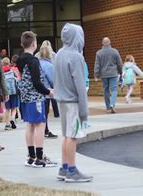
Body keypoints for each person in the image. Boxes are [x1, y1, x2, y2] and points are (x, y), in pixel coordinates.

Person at [54, 23, 92, 183]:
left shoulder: (59, 54)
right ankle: (72, 170)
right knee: (73, 136)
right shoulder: (76, 56)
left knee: (66, 136)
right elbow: (80, 86)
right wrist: (84, 111)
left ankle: (64, 168)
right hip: (73, 102)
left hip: (61, 100)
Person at [18, 31, 56, 167]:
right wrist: (48, 92)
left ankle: (31, 156)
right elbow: (37, 82)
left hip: (25, 97)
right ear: (34, 44)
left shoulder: (19, 59)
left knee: (29, 125)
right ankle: (39, 158)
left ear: (22, 44)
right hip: (36, 97)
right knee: (40, 125)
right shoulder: (33, 60)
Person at [94, 37, 122, 113]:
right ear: (110, 43)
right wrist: (120, 71)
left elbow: (97, 65)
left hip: (104, 74)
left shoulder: (99, 53)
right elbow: (119, 63)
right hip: (113, 73)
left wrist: (96, 75)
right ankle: (112, 104)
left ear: (102, 43)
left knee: (106, 90)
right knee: (114, 89)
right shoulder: (115, 51)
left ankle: (108, 107)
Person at [38, 42, 59, 139]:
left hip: (38, 92)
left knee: (41, 113)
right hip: (46, 92)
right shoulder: (48, 65)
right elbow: (53, 80)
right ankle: (45, 131)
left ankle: (43, 130)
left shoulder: (37, 63)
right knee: (45, 113)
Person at [2, 57, 20, 131]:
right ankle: (12, 119)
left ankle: (7, 124)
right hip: (14, 91)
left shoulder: (1, 71)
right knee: (14, 107)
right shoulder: (13, 69)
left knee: (7, 108)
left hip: (6, 92)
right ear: (9, 62)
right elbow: (18, 78)